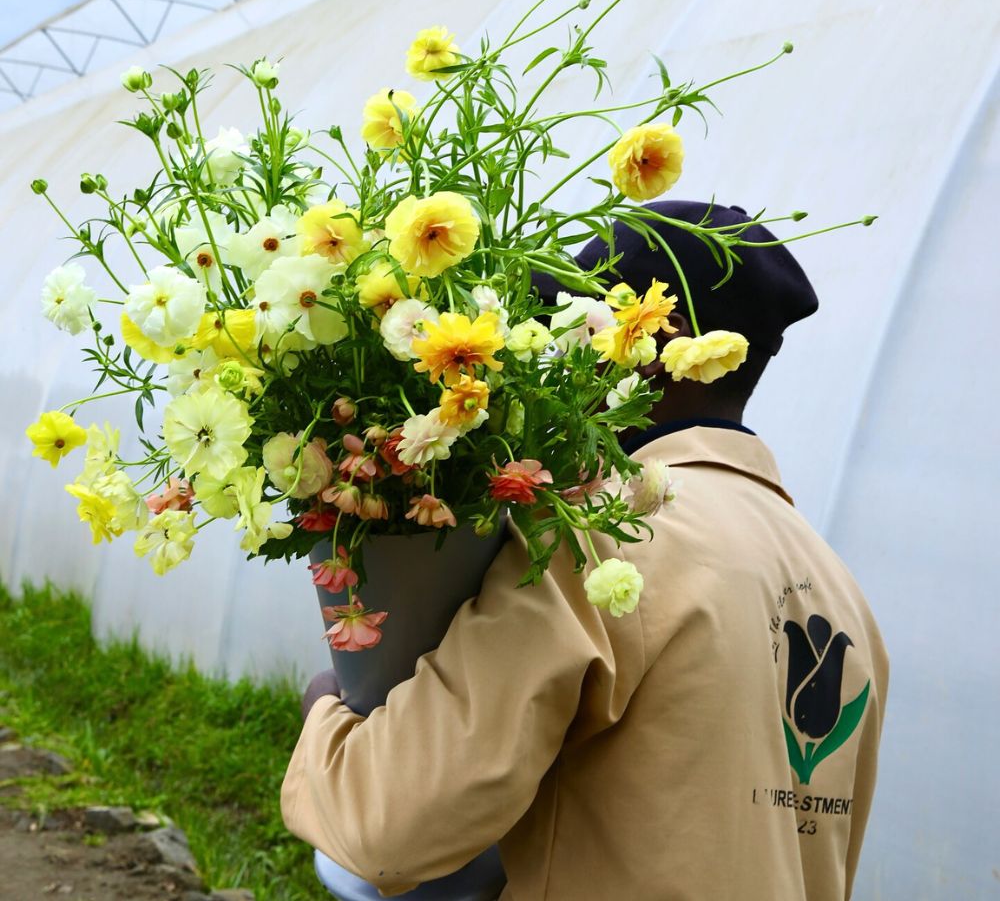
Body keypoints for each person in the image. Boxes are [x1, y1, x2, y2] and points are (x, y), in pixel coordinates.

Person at [281, 200, 889, 900]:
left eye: (582, 325)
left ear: (658, 339)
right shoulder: (840, 590)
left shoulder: (606, 538)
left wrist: (331, 713)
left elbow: (386, 830)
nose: (556, 355)